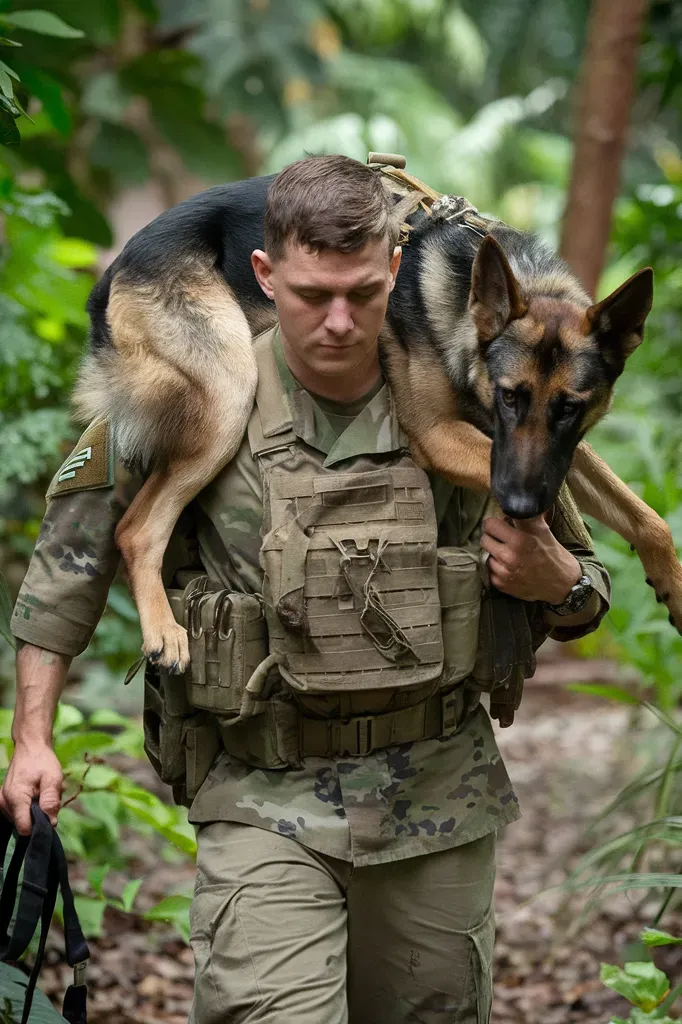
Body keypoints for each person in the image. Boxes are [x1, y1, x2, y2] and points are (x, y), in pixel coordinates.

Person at [3, 155, 610, 1024]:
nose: (336, 322)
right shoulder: (192, 389)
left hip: (436, 799)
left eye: (361, 295)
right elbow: (67, 568)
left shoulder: (484, 397)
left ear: (395, 272)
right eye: (310, 295)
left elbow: (585, 588)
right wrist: (32, 741)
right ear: (263, 272)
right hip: (262, 797)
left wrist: (563, 584)